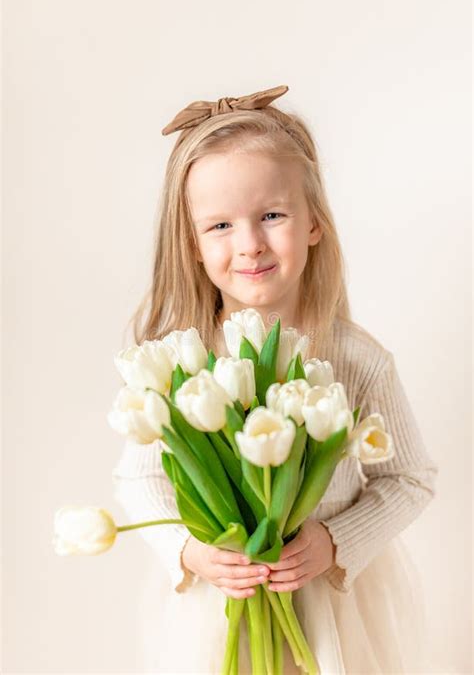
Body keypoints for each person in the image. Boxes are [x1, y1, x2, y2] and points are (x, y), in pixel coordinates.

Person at [111, 85, 438, 673]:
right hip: (221, 602)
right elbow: (138, 481)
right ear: (192, 243)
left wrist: (337, 541)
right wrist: (191, 552)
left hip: (327, 602)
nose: (250, 244)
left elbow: (410, 477)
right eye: (220, 226)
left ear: (314, 223)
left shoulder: (357, 360)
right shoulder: (177, 364)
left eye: (272, 215)